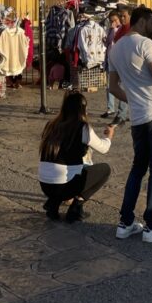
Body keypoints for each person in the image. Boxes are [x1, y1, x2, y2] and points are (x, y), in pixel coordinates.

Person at [108, 5, 152, 243]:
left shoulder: (115, 49)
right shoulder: (145, 44)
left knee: (138, 169)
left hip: (138, 118)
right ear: (142, 21)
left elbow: (112, 87)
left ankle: (125, 223)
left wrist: (134, 99)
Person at [38, 90, 113, 223]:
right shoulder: (82, 127)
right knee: (104, 170)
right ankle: (76, 206)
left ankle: (53, 204)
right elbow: (104, 148)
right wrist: (109, 136)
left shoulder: (50, 125)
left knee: (74, 167)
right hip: (65, 187)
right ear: (82, 109)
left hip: (45, 186)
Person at [102, 10, 128, 122]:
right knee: (110, 86)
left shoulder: (124, 29)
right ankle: (110, 108)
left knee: (122, 86)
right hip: (111, 60)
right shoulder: (111, 30)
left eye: (115, 20)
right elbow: (108, 41)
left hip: (122, 61)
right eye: (111, 21)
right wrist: (112, 29)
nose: (114, 22)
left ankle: (121, 113)